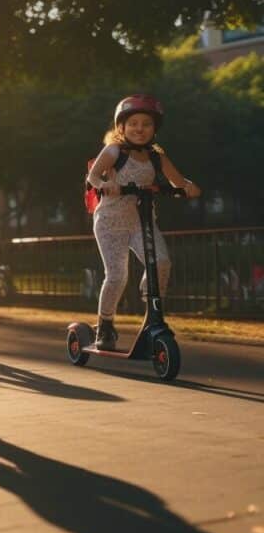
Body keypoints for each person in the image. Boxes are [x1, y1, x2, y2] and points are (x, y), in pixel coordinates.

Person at [85, 94, 200, 350]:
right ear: (121, 127)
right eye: (133, 123)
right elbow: (92, 176)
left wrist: (188, 187)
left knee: (162, 262)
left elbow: (177, 181)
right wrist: (106, 184)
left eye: (146, 124)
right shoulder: (114, 151)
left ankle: (152, 311)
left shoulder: (156, 155)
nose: (139, 128)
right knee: (116, 276)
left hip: (141, 221)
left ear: (154, 129)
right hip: (110, 222)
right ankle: (104, 325)